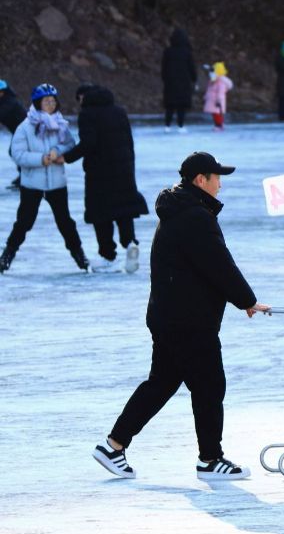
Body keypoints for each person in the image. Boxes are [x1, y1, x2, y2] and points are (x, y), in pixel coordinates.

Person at [93, 152, 269, 480]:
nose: (220, 183)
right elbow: (218, 264)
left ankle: (113, 446)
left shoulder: (181, 210)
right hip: (188, 321)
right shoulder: (194, 216)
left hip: (169, 316)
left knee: (162, 383)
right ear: (200, 180)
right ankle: (210, 460)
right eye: (216, 177)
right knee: (209, 385)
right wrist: (246, 299)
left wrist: (242, 299)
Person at [0, 84, 89, 274]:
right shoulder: (25, 127)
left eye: (53, 101)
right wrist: (41, 159)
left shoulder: (60, 124)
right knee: (24, 222)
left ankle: (81, 259)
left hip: (57, 183)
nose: (50, 104)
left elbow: (69, 144)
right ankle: (6, 258)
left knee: (65, 222)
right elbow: (18, 154)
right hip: (32, 184)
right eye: (46, 101)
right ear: (37, 103)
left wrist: (57, 152)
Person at [64, 85, 148, 273]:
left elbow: (89, 143)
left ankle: (108, 256)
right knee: (123, 210)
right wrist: (129, 167)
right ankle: (129, 243)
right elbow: (129, 141)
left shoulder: (87, 114)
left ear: (83, 97)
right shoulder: (119, 111)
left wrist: (67, 157)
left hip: (99, 173)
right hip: (123, 169)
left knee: (101, 214)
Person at [161, 28, 197, 133]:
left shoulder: (168, 51)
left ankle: (167, 125)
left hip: (170, 83)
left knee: (170, 106)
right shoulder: (187, 52)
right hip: (184, 83)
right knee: (181, 106)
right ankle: (180, 125)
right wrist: (194, 78)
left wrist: (165, 79)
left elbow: (164, 67)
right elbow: (191, 67)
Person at [0, 79, 27, 190]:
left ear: (3, 92)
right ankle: (24, 175)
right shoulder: (4, 101)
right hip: (18, 132)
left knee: (15, 152)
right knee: (15, 152)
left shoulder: (9, 101)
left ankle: (26, 177)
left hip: (26, 131)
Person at [203, 62, 233, 131]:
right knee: (214, 113)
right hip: (212, 99)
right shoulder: (214, 80)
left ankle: (219, 125)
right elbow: (209, 89)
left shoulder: (221, 81)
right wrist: (206, 96)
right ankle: (218, 125)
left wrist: (219, 100)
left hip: (216, 100)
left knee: (217, 113)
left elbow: (221, 92)